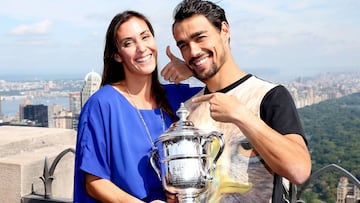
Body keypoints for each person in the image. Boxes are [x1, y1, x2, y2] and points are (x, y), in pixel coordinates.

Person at [163, 0, 312, 202]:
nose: (193, 51)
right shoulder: (189, 109)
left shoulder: (269, 96)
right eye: (184, 45)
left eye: (200, 38)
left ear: (224, 30)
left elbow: (299, 170)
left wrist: (242, 116)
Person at [73, 10, 201, 203]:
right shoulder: (103, 104)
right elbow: (94, 182)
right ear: (117, 55)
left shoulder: (178, 98)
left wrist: (192, 71)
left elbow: (228, 90)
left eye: (145, 37)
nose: (141, 48)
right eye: (128, 43)